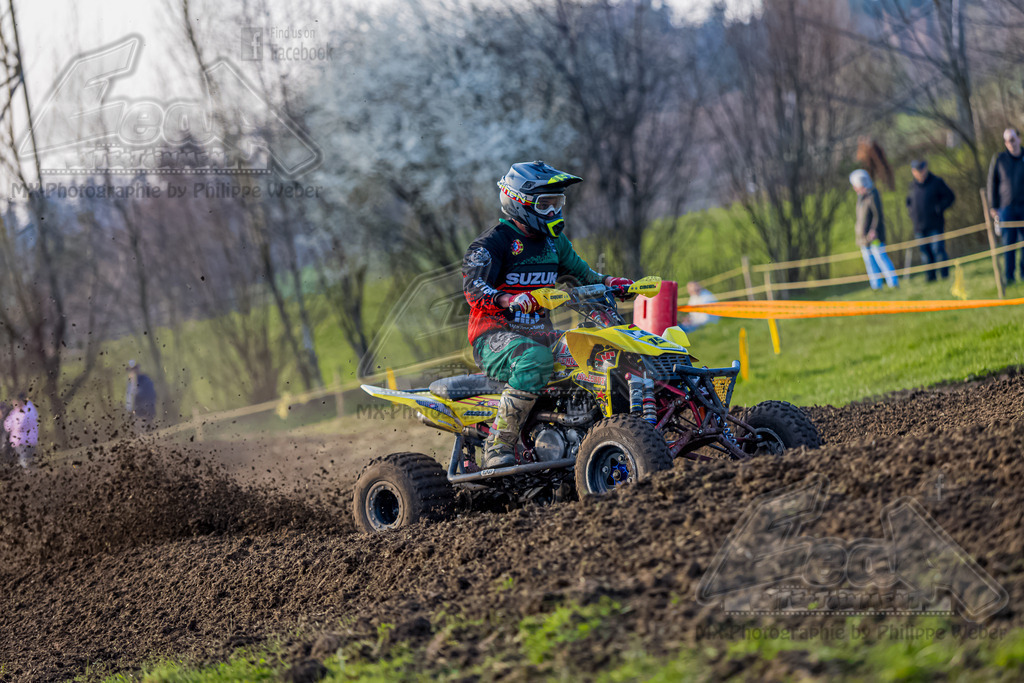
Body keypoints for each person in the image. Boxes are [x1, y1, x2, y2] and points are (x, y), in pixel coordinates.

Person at [463, 161, 634, 468]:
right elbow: (474, 287)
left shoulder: (554, 242)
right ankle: (498, 443)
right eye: (546, 204)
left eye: (558, 203)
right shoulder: (493, 243)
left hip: (540, 334)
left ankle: (592, 432)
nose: (554, 211)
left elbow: (584, 274)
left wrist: (612, 283)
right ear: (519, 202)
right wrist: (508, 299)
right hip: (493, 337)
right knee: (536, 359)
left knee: (599, 350)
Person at [906, 160, 955, 281]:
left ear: (926, 168)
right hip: (919, 227)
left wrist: (939, 208)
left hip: (935, 225)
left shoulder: (937, 182)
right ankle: (930, 278)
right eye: (917, 171)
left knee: (938, 250)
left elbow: (950, 197)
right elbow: (908, 203)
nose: (920, 173)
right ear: (913, 172)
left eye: (922, 170)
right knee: (925, 254)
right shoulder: (912, 186)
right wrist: (912, 214)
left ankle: (944, 275)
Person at [850, 169, 899, 290]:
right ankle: (876, 286)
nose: (855, 188)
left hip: (874, 236)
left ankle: (893, 283)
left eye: (856, 185)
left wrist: (874, 230)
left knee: (880, 257)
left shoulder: (873, 194)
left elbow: (877, 215)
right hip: (863, 237)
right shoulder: (860, 197)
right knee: (869, 261)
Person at [987, 127, 1024, 285]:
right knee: (1008, 243)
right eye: (1008, 141)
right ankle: (1009, 276)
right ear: (1005, 143)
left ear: (1019, 139)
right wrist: (993, 206)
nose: (1011, 143)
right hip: (1006, 208)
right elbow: (992, 183)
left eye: (1013, 139)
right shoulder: (999, 159)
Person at [3, 393, 39, 469]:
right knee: (23, 459)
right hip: (19, 441)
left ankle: (28, 474)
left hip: (27, 440)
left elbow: (21, 424)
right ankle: (28, 473)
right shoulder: (15, 412)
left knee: (25, 459)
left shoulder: (29, 410)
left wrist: (14, 426)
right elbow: (7, 424)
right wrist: (14, 426)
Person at [125, 360, 157, 430]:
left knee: (148, 430)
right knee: (139, 431)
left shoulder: (145, 379)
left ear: (138, 368)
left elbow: (150, 395)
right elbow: (129, 398)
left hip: (146, 411)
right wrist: (130, 410)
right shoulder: (130, 383)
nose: (133, 371)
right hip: (137, 413)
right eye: (131, 370)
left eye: (135, 368)